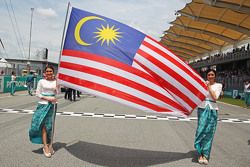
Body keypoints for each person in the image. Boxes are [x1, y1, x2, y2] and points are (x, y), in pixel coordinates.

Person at [194, 69, 222, 165]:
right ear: (207, 76)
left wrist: (209, 86)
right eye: (209, 74)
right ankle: (200, 153)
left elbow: (215, 97)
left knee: (209, 133)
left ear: (215, 76)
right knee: (200, 131)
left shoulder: (218, 85)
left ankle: (205, 155)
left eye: (212, 74)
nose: (210, 76)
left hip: (212, 110)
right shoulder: (202, 84)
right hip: (202, 109)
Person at [29, 65, 57, 158]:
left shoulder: (56, 81)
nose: (49, 73)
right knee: (43, 125)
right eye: (47, 71)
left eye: (51, 71)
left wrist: (58, 87)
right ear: (45, 73)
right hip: (42, 105)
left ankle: (50, 145)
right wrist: (47, 98)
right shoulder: (41, 81)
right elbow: (37, 93)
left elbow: (58, 92)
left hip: (52, 106)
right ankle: (45, 146)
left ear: (53, 72)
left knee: (50, 126)